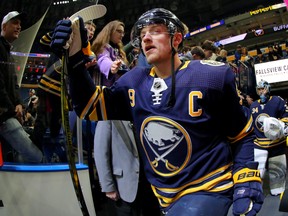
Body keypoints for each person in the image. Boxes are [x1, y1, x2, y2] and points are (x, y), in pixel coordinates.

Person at [50, 8, 264, 216]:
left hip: (208, 187)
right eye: (142, 34)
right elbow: (89, 106)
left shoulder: (211, 76)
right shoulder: (133, 81)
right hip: (160, 194)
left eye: (155, 31)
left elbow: (242, 134)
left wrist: (246, 177)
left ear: (177, 38)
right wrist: (75, 57)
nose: (146, 38)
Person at [0, 11, 43, 163]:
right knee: (37, 158)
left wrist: (19, 104)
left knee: (9, 161)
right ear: (4, 26)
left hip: (8, 113)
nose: (19, 26)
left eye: (20, 24)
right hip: (4, 117)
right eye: (15, 23)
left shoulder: (7, 51)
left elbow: (13, 85)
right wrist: (13, 109)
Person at [94, 120, 161, 216]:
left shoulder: (144, 113)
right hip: (124, 187)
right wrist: (108, 187)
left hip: (151, 185)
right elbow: (101, 152)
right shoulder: (108, 118)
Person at [250, 80, 288, 196]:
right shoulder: (253, 105)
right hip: (259, 144)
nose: (261, 91)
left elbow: (286, 118)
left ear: (268, 89)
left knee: (278, 173)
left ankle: (278, 190)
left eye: (263, 88)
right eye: (259, 89)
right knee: (258, 172)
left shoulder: (278, 101)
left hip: (277, 144)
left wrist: (280, 127)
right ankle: (256, 191)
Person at [91, 20, 129, 87]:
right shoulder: (103, 48)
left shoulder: (117, 50)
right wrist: (111, 66)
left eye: (123, 32)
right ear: (110, 31)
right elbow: (102, 59)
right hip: (103, 92)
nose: (122, 35)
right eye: (119, 31)